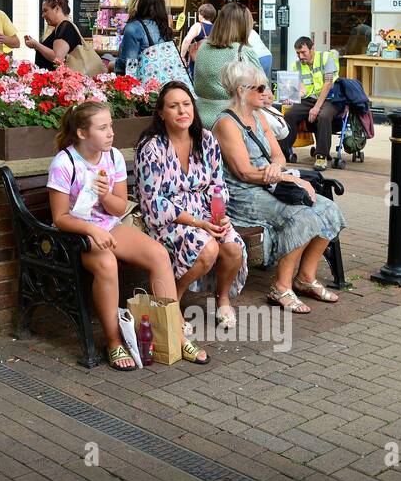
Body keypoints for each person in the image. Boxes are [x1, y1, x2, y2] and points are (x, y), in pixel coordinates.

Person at [46, 101, 190, 371]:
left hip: (109, 226)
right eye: (102, 128)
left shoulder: (112, 157)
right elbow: (60, 218)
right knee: (107, 264)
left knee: (158, 254)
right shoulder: (64, 163)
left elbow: (119, 207)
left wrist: (104, 195)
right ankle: (113, 342)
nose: (111, 132)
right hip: (77, 233)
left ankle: (174, 333)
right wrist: (91, 229)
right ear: (81, 133)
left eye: (110, 125)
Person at [212, 61, 345, 315]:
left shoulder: (259, 116)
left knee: (326, 208)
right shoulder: (227, 123)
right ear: (241, 90)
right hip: (243, 194)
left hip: (269, 185)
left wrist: (277, 169)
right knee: (301, 215)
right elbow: (243, 172)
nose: (266, 92)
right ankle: (281, 288)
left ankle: (305, 278)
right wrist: (286, 179)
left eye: (266, 86)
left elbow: (279, 156)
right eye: (259, 87)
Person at [135, 81, 247, 330]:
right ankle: (171, 302)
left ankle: (223, 299)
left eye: (186, 104)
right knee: (207, 248)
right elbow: (153, 201)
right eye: (173, 106)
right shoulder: (151, 147)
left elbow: (217, 186)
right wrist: (198, 223)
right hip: (167, 219)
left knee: (232, 247)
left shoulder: (206, 140)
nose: (182, 111)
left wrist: (219, 217)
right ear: (161, 114)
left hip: (206, 213)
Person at [191, 2, 260, 126]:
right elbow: (260, 91)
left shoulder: (202, 47)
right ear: (244, 26)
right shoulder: (243, 52)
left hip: (199, 118)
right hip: (230, 121)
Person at [282, 36, 342, 171]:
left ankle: (321, 156)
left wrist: (316, 107)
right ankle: (284, 151)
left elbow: (328, 83)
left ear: (312, 48)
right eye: (298, 53)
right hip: (309, 98)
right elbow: (301, 89)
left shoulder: (326, 58)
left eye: (303, 52)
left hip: (329, 98)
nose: (300, 56)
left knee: (324, 116)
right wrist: (290, 97)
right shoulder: (296, 65)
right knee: (290, 114)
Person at [113, 0, 189, 89]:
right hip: (168, 88)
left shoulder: (134, 28)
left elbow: (129, 65)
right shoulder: (163, 26)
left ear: (138, 3)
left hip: (146, 91)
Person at [22, 0, 82, 70]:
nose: (43, 15)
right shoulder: (60, 28)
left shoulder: (64, 27)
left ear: (57, 8)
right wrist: (35, 46)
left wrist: (37, 45)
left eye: (45, 10)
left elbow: (57, 58)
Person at [180, 3, 216, 76]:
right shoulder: (216, 28)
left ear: (201, 15)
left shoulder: (198, 26)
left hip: (197, 60)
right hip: (211, 62)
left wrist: (182, 56)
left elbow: (187, 40)